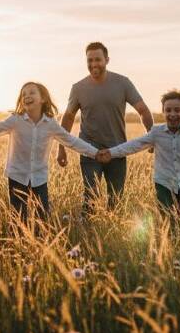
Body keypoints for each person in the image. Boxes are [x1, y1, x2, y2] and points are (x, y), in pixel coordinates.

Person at [0, 82, 99, 224]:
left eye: (32, 93)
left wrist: (95, 153)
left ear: (42, 98)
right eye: (23, 94)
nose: (27, 96)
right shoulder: (16, 120)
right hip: (17, 176)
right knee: (18, 219)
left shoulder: (50, 124)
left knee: (42, 219)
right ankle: (18, 243)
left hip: (39, 178)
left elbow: (71, 141)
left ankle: (40, 243)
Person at [97, 89, 180, 225]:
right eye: (168, 110)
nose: (172, 114)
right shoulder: (156, 132)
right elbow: (134, 145)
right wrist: (110, 153)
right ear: (163, 112)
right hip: (164, 184)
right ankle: (169, 242)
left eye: (177, 110)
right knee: (168, 221)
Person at [58, 42, 154, 214]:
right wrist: (61, 148)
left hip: (117, 150)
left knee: (116, 201)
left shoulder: (123, 83)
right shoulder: (78, 88)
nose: (94, 64)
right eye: (90, 60)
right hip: (89, 151)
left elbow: (143, 110)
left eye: (98, 60)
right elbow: (68, 117)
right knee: (90, 198)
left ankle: (112, 237)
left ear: (107, 60)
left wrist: (151, 136)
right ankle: (89, 236)